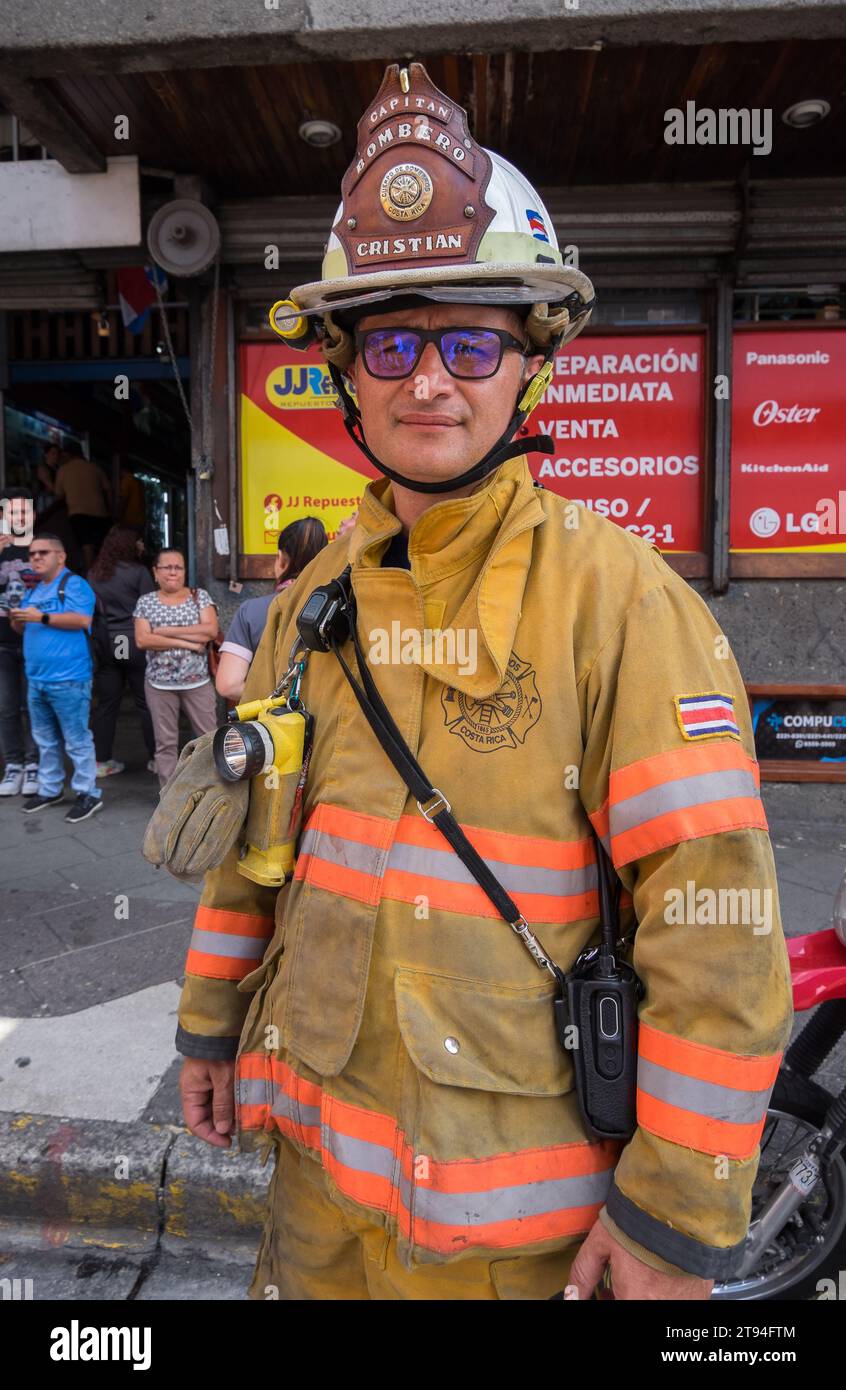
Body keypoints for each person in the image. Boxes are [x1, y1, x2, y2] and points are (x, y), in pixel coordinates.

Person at [172, 64, 793, 1301]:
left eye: (469, 339)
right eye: (392, 340)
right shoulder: (307, 603)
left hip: (524, 1247)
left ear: (532, 365)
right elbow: (257, 847)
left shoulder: (620, 603)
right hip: (316, 1207)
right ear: (346, 374)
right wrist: (206, 1022)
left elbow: (716, 929)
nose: (429, 379)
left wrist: (674, 1214)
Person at [11, 533, 102, 822]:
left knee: (77, 739)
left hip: (70, 678)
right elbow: (23, 630)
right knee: (45, 740)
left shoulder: (74, 584)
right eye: (32, 554)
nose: (35, 558)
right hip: (37, 678)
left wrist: (41, 617)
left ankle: (88, 792)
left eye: (43, 553)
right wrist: (18, 619)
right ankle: (50, 789)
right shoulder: (34, 590)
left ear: (60, 557)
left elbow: (82, 620)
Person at [215, 518, 327, 705]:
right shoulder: (341, 608)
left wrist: (278, 696)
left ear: (281, 559)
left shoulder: (251, 611)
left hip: (270, 728)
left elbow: (228, 684)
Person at [134, 549, 219, 787]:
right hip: (159, 684)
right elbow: (143, 640)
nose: (173, 572)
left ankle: (211, 791)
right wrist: (187, 641)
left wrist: (164, 631)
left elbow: (211, 631)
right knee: (165, 744)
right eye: (167, 567)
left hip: (197, 682)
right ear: (155, 572)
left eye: (178, 567)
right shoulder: (146, 602)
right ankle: (169, 797)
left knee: (208, 739)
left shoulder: (199, 596)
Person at [88, 525, 156, 777]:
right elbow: (151, 608)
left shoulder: (95, 573)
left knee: (106, 703)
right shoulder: (138, 572)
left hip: (106, 642)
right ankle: (157, 759)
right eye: (139, 541)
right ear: (129, 544)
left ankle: (101, 761)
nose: (142, 546)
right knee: (146, 701)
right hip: (134, 642)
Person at [0, 488, 39, 797]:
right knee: (6, 708)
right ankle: (13, 765)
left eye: (24, 511)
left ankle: (33, 765)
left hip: (36, 640)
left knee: (33, 707)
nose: (19, 517)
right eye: (13, 511)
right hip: (2, 643)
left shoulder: (42, 548)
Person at [53, 451, 112, 572]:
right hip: (100, 512)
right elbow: (108, 489)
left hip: (78, 512)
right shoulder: (95, 468)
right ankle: (104, 577)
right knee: (101, 547)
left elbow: (58, 494)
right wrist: (111, 510)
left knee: (87, 546)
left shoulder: (64, 470)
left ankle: (90, 578)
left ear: (67, 455)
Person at [117, 462, 146, 533]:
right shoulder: (139, 482)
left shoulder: (126, 480)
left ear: (123, 470)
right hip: (140, 519)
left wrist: (119, 515)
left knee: (127, 541)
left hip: (130, 519)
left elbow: (124, 499)